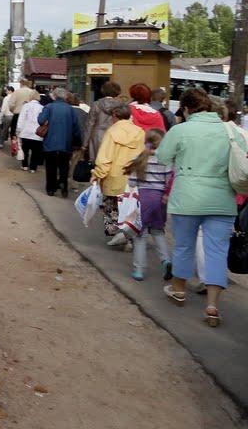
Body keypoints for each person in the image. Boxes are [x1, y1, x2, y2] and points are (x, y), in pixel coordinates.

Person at [156, 88, 246, 327]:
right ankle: (213, 306)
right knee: (216, 251)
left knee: (184, 245)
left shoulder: (181, 130)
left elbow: (163, 157)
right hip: (223, 201)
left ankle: (178, 290)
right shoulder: (230, 131)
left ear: (186, 108)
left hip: (187, 198)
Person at [91, 104, 145, 245]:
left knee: (111, 205)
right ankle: (128, 237)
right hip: (132, 176)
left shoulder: (112, 132)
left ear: (115, 116)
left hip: (114, 175)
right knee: (130, 208)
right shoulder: (140, 132)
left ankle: (114, 232)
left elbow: (105, 157)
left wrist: (97, 174)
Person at [124, 129, 172, 281]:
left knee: (140, 235)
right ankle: (166, 260)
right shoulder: (166, 160)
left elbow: (131, 182)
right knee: (158, 232)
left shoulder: (140, 158)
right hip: (159, 200)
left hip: (142, 199)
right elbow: (168, 181)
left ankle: (139, 270)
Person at [37, 87, 82, 197]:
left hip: (50, 141)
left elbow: (41, 120)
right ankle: (63, 186)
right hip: (66, 142)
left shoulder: (49, 107)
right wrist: (77, 141)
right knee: (64, 165)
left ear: (54, 96)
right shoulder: (70, 109)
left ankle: (50, 188)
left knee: (50, 166)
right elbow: (76, 127)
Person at [84, 80, 122, 162]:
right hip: (115, 135)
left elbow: (90, 124)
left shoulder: (96, 104)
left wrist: (85, 143)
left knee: (97, 162)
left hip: (97, 136)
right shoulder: (120, 105)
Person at [16, 94, 46, 173]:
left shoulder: (26, 106)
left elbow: (21, 118)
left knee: (25, 149)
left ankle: (24, 165)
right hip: (37, 133)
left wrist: (18, 129)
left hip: (25, 131)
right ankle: (33, 168)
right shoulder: (42, 107)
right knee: (35, 151)